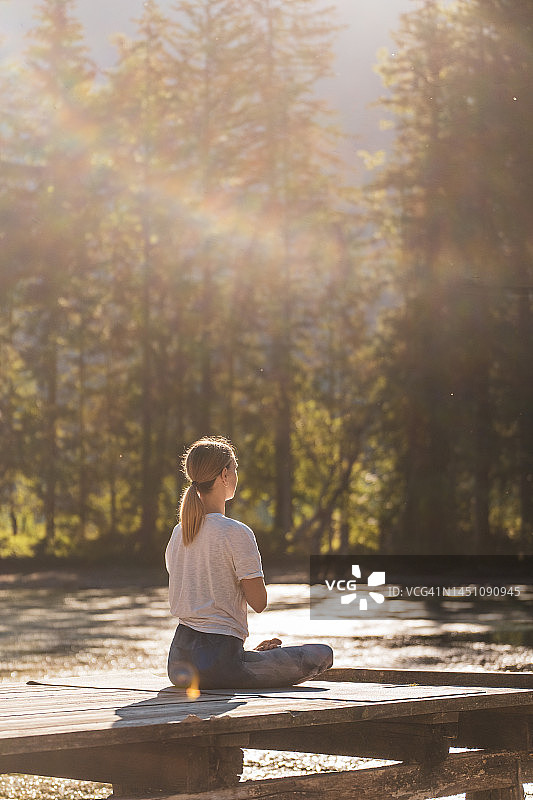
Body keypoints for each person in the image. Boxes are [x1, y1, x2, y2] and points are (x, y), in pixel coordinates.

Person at [165, 436, 333, 690]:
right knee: (322, 653)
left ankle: (251, 656)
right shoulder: (236, 532)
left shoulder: (179, 532)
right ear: (224, 475)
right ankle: (248, 660)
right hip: (221, 665)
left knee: (252, 658)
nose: (236, 475)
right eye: (235, 469)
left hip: (178, 662)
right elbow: (259, 602)